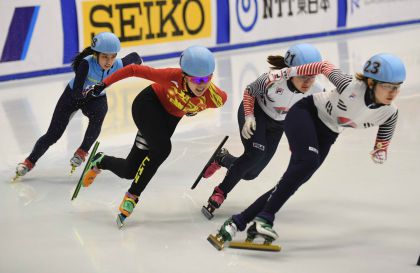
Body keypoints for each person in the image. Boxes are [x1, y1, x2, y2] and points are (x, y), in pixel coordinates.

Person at [210, 53, 406, 247]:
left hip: (329, 132)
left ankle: (238, 222)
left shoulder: (389, 112)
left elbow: (385, 133)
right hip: (306, 113)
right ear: (371, 83)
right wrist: (287, 73)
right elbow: (323, 66)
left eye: (397, 87)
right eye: (387, 86)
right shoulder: (348, 85)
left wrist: (381, 149)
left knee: (295, 179)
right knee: (307, 163)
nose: (393, 92)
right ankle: (264, 219)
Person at [81, 45, 228, 227]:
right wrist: (103, 84)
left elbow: (221, 99)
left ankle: (100, 161)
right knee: (163, 149)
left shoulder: (216, 98)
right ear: (184, 76)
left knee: (129, 170)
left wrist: (196, 109)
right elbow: (133, 69)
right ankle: (132, 196)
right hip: (147, 106)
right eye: (196, 79)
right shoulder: (172, 76)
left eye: (206, 78)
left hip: (167, 122)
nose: (202, 84)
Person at [200, 44, 325, 218]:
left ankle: (223, 158)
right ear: (290, 71)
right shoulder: (273, 79)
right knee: (256, 153)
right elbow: (250, 91)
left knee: (250, 173)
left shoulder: (318, 89)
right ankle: (220, 192)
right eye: (303, 76)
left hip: (278, 125)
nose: (308, 83)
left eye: (313, 77)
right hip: (255, 113)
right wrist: (249, 116)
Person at [14, 32, 142, 179]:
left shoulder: (117, 64)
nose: (109, 61)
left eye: (112, 56)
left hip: (95, 99)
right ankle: (29, 162)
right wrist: (92, 90)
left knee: (99, 114)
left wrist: (139, 65)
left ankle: (82, 151)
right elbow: (76, 93)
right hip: (73, 97)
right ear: (96, 54)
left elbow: (135, 57)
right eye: (105, 57)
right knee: (53, 134)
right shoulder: (86, 63)